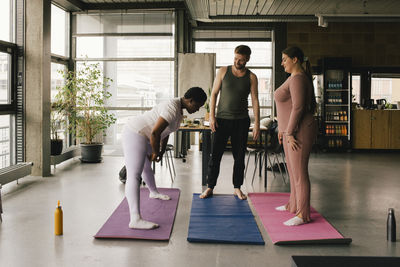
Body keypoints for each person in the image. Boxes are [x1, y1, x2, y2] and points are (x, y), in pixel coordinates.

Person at [123, 87, 207, 229]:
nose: (197, 110)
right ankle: (135, 219)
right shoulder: (172, 107)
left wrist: (160, 151)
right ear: (190, 101)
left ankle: (153, 192)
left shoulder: (179, 109)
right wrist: (155, 152)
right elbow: (156, 133)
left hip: (146, 135)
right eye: (197, 106)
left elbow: (166, 131)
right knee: (134, 175)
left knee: (146, 168)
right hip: (135, 132)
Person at [200, 45, 260, 200]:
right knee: (216, 156)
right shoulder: (223, 71)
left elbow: (255, 100)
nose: (237, 61)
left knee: (239, 157)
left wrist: (257, 124)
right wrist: (212, 117)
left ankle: (237, 188)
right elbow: (213, 94)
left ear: (247, 59)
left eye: (240, 60)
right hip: (221, 121)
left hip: (241, 121)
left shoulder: (251, 77)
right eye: (235, 58)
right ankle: (210, 187)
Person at [274, 46, 317, 226]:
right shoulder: (293, 78)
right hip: (290, 130)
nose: (282, 62)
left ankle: (302, 214)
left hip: (299, 130)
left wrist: (289, 131)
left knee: (299, 173)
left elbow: (298, 108)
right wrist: (283, 130)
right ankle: (293, 204)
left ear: (295, 59)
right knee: (292, 172)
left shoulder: (298, 79)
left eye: (285, 59)